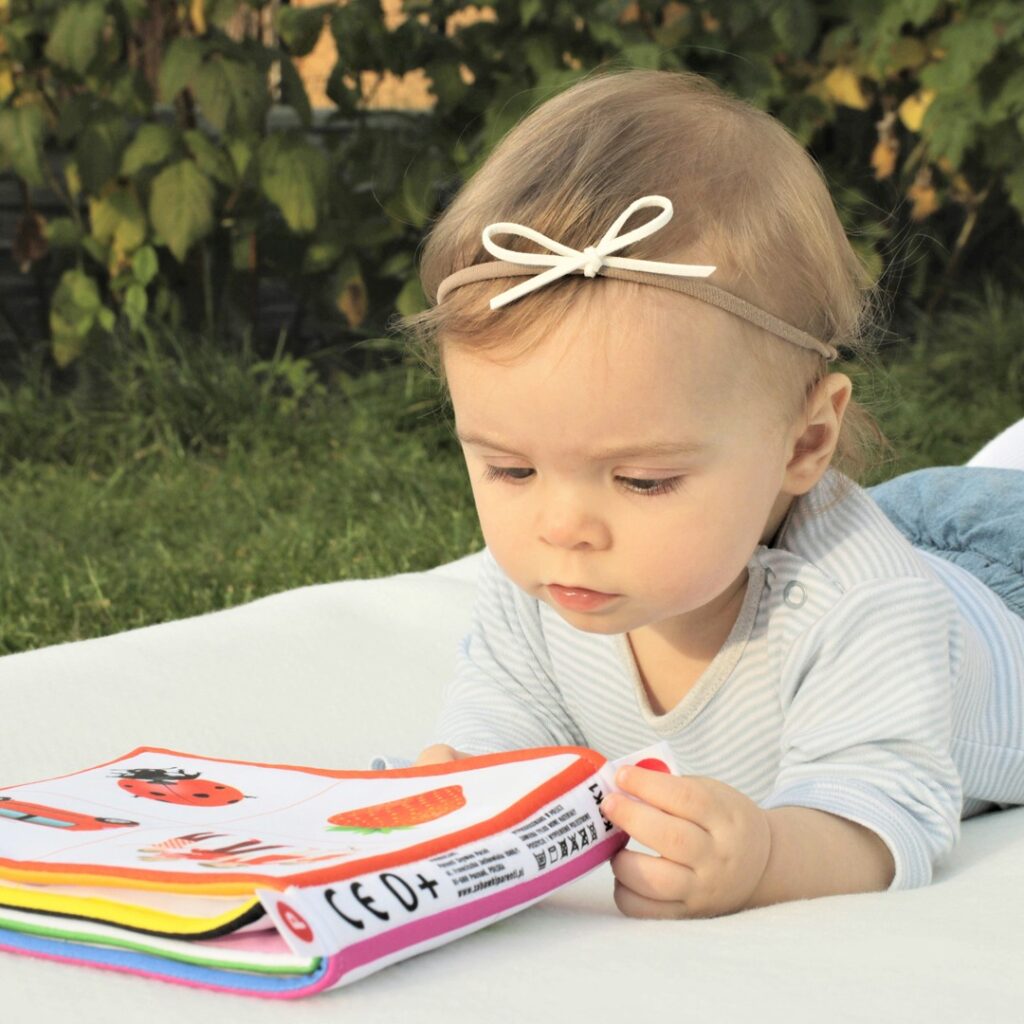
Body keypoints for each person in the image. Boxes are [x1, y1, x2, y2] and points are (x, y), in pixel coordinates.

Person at [391, 69, 1024, 918]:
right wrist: (463, 795)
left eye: (643, 480)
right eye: (512, 470)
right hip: (921, 534)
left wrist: (764, 856)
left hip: (998, 579)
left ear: (804, 444)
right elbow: (507, 726)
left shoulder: (864, 607)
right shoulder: (539, 581)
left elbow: (889, 811)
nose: (563, 526)